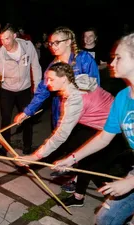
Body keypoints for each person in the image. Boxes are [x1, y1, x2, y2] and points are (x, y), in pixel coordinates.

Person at [53, 32, 134, 225]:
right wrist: (71, 159)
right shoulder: (122, 97)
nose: (112, 63)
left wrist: (130, 182)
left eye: (118, 58)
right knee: (106, 220)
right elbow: (104, 138)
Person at [18, 63, 124, 207]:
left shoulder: (75, 99)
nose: (47, 83)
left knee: (96, 169)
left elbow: (61, 135)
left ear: (64, 79)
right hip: (100, 125)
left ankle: (119, 205)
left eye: (51, 79)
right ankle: (78, 194)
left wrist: (34, 157)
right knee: (79, 152)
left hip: (117, 131)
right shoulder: (77, 83)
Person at [0, 24, 42, 155]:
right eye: (2, 39)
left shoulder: (28, 47)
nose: (4, 42)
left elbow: (36, 67)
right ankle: (5, 146)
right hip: (7, 90)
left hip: (24, 89)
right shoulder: (0, 55)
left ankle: (27, 146)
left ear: (14, 36)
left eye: (7, 39)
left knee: (27, 118)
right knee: (5, 118)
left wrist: (37, 89)